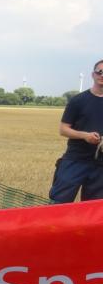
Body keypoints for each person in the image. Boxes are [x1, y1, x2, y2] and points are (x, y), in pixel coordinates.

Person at [48, 60, 103, 202]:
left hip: (100, 165)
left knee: (93, 208)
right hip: (75, 160)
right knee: (59, 202)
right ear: (93, 75)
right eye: (100, 72)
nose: (102, 75)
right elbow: (63, 129)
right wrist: (85, 136)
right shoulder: (78, 100)